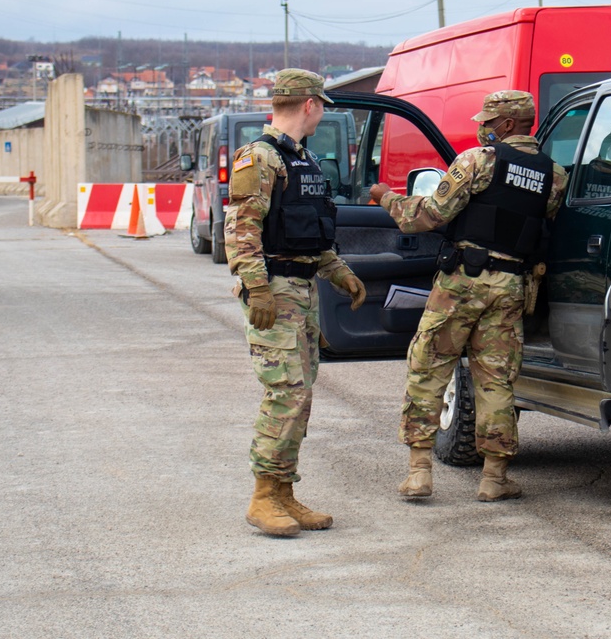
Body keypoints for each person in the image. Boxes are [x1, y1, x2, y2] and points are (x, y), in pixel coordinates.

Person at [369, 90, 568, 502]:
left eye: (488, 121)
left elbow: (426, 216)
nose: (482, 127)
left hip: (463, 281)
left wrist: (385, 197)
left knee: (429, 367)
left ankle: (420, 474)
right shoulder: (555, 175)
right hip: (511, 286)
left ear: (508, 125)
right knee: (496, 380)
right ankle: (494, 479)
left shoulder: (479, 160)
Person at [225, 68, 366, 537]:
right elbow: (242, 229)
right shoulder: (260, 158)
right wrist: (257, 287)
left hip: (301, 290)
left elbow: (309, 233)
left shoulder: (299, 160)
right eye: (321, 105)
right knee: (284, 391)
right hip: (276, 290)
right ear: (309, 105)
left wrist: (339, 273)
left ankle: (284, 490)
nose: (322, 112)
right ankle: (263, 495)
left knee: (300, 395)